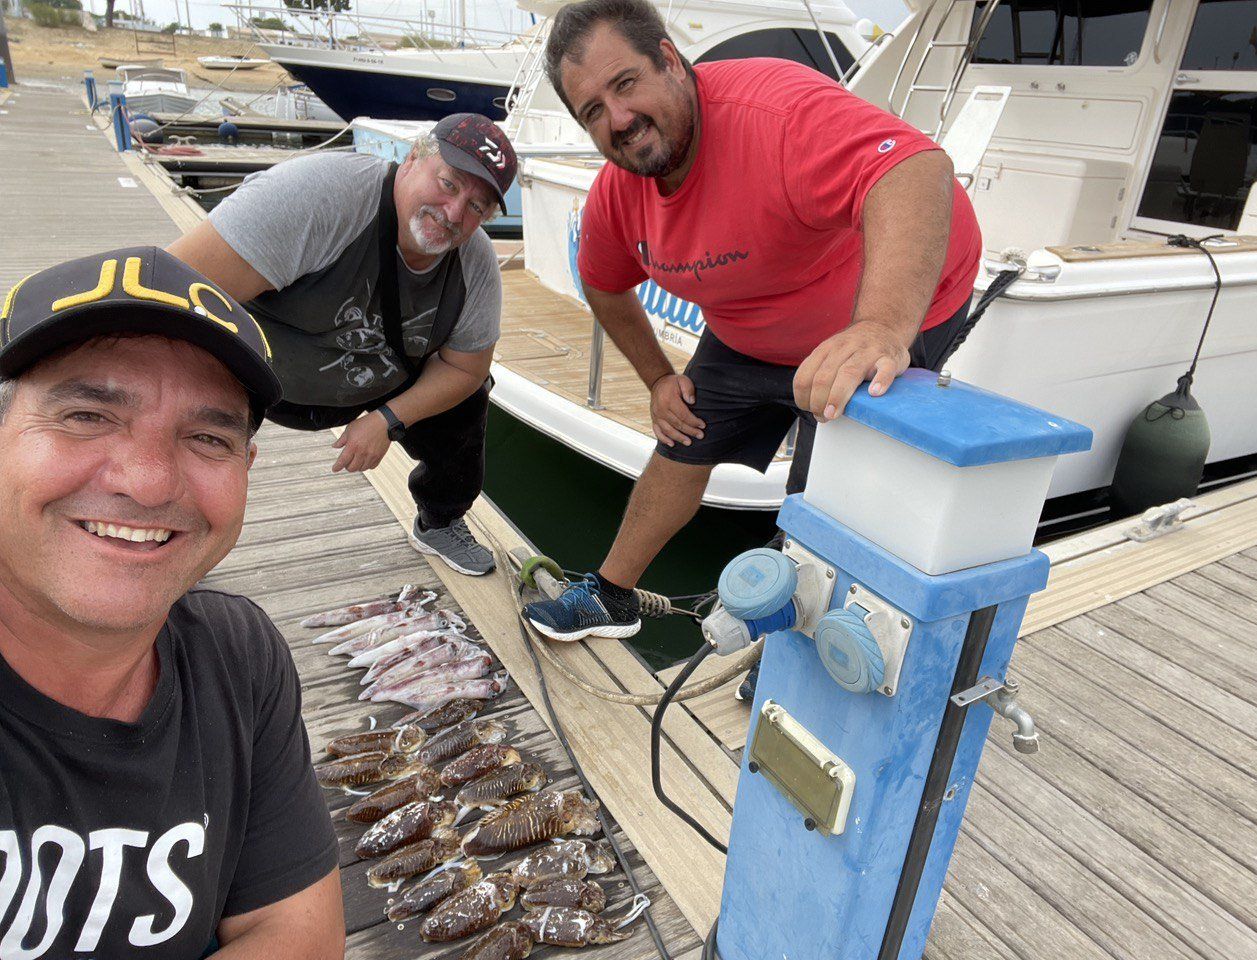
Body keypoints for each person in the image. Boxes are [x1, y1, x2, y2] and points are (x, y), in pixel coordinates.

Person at [522, 0, 983, 642]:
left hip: (896, 304)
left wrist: (881, 327)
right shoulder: (617, 194)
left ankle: (798, 645)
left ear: (669, 61)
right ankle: (611, 594)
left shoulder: (773, 112)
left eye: (625, 84)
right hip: (750, 321)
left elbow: (914, 167)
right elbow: (603, 282)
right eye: (592, 111)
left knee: (836, 486)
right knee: (682, 438)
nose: (619, 119)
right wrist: (658, 378)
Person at [0, 247, 342, 959]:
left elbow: (298, 935)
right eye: (87, 415)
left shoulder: (237, 656)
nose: (151, 481)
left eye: (208, 437)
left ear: (247, 469)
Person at [168, 113, 518, 577]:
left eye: (476, 207)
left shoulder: (475, 266)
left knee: (468, 399)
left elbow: (465, 369)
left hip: (377, 380)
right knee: (182, 406)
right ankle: (167, 536)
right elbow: (171, 292)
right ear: (413, 157)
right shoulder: (320, 195)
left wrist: (388, 420)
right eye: (449, 184)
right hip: (261, 371)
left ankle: (440, 520)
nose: (454, 213)